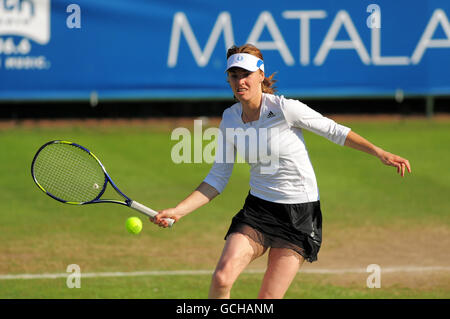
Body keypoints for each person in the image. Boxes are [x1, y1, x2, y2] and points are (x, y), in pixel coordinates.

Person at [151, 44, 411, 299]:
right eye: (234, 75)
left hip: (299, 214)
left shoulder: (285, 109)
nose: (240, 81)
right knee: (222, 278)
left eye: (246, 75)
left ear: (261, 75)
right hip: (258, 210)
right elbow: (217, 178)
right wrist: (178, 210)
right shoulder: (229, 119)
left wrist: (380, 152)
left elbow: (334, 131)